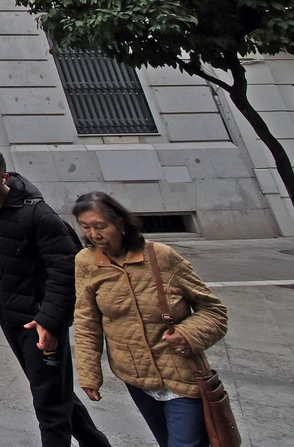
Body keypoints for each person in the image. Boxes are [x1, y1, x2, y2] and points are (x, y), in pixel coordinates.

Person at [0, 147, 110, 447]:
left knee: (49, 404)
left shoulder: (38, 214)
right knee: (52, 390)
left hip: (39, 319)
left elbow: (65, 272)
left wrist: (49, 321)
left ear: (3, 177)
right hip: (8, 314)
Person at [72, 191, 228, 447]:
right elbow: (87, 322)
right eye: (85, 227)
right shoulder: (86, 262)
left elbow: (214, 310)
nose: (94, 234)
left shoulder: (161, 256)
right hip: (136, 377)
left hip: (182, 373)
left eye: (100, 226)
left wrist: (188, 333)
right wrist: (89, 374)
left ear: (120, 224)